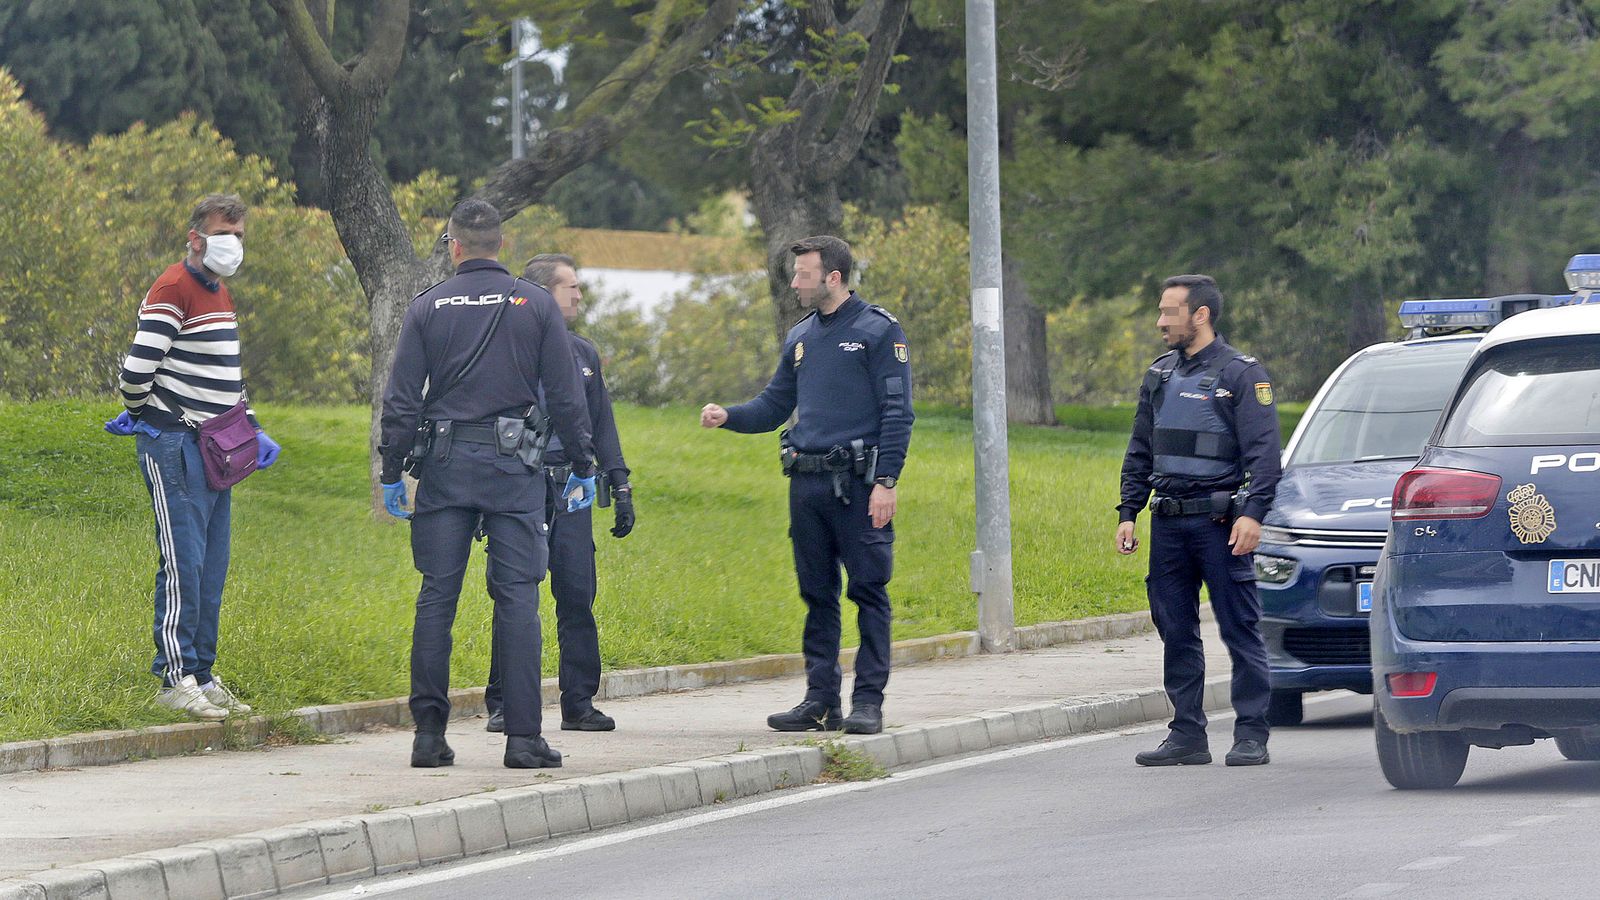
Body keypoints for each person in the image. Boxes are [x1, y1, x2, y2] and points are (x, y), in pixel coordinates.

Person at [378, 199, 596, 770]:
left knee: (436, 598)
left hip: (446, 469)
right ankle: (522, 739)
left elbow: (401, 400)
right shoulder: (536, 304)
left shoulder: (428, 306)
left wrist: (390, 471)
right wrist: (583, 463)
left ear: (453, 246)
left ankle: (428, 737)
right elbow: (568, 396)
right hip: (513, 471)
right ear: (501, 245)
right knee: (518, 598)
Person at [700, 235, 913, 736]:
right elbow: (774, 405)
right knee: (817, 595)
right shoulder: (800, 337)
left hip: (860, 486)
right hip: (808, 485)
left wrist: (887, 481)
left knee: (868, 591)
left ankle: (868, 703)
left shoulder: (878, 331)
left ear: (832, 277)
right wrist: (728, 415)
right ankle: (820, 701)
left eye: (803, 274)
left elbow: (898, 413)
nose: (795, 283)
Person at [104, 193, 281, 720]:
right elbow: (136, 372)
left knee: (212, 565)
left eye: (240, 234)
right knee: (184, 563)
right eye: (225, 233)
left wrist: (248, 422)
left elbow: (224, 370)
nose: (234, 243)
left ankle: (202, 673)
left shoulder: (219, 292)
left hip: (215, 445)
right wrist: (143, 414)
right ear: (195, 238)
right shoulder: (173, 287)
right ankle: (174, 676)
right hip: (175, 441)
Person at [1116, 274, 1282, 768]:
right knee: (1175, 629)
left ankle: (1251, 732)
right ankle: (1187, 735)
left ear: (1200, 315)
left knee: (1239, 628)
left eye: (1169, 312)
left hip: (1220, 525)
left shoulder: (1241, 375)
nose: (1160, 321)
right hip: (1168, 524)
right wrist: (1128, 511)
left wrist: (1252, 514)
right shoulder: (1160, 375)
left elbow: (1265, 457)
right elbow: (1140, 449)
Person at [484, 253, 634, 735]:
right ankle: (504, 703)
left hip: (573, 487)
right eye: (572, 286)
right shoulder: (504, 347)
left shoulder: (583, 353)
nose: (580, 295)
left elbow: (600, 423)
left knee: (576, 593)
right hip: (521, 485)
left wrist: (621, 482)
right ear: (545, 293)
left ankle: (579, 702)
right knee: (515, 596)